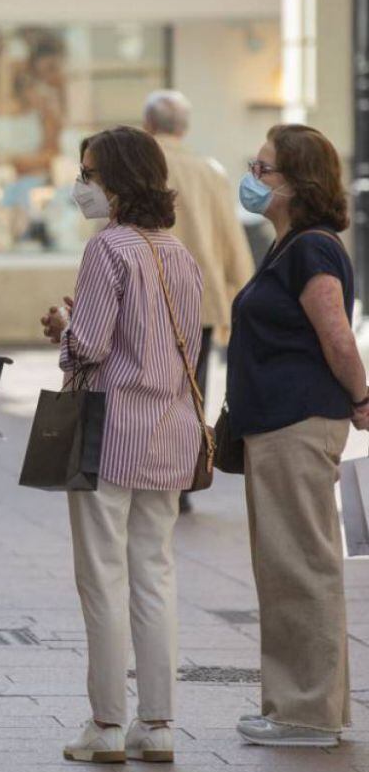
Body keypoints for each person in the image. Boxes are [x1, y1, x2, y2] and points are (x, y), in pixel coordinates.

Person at [41, 126, 203, 765]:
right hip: (169, 430)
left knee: (102, 578)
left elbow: (92, 346)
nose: (81, 185)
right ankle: (157, 725)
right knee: (155, 576)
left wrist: (64, 328)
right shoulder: (178, 253)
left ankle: (107, 724)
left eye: (89, 173)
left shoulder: (107, 248)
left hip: (107, 429)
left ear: (118, 180)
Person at [227, 125, 368, 747]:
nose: (253, 177)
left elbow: (336, 334)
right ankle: (304, 705)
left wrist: (363, 397)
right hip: (277, 423)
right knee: (286, 566)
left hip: (297, 422)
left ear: (297, 183)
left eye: (265, 168)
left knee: (300, 565)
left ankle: (306, 713)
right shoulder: (287, 246)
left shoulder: (311, 249)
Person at [142, 91, 254, 513]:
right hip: (201, 300)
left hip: (150, 297)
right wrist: (239, 292)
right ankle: (186, 477)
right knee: (194, 391)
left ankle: (153, 472)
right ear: (183, 128)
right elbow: (231, 237)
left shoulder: (143, 167)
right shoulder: (210, 171)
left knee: (150, 387)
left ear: (148, 125)